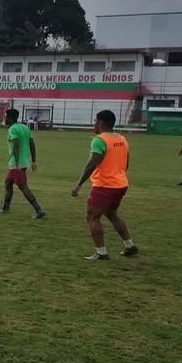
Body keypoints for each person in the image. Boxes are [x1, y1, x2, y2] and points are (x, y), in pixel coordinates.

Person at [71, 110, 139, 261]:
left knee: (92, 216)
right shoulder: (122, 139)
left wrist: (78, 185)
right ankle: (129, 245)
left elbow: (92, 164)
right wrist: (118, 175)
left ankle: (101, 252)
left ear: (101, 123)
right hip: (121, 184)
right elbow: (126, 163)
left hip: (105, 186)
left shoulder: (99, 140)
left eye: (95, 122)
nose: (94, 125)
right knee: (112, 214)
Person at [0, 109, 45, 218]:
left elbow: (16, 146)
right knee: (8, 183)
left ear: (10, 118)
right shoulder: (25, 127)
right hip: (23, 162)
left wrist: (17, 162)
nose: (5, 119)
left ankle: (39, 210)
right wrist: (33, 160)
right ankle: (6, 208)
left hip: (16, 164)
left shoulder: (12, 129)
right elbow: (32, 144)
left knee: (23, 186)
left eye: (6, 117)